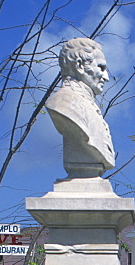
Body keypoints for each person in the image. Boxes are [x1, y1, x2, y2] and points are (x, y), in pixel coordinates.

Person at [46, 37, 115, 178]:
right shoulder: (61, 103)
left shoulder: (88, 105)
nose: (106, 77)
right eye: (101, 68)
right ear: (79, 65)